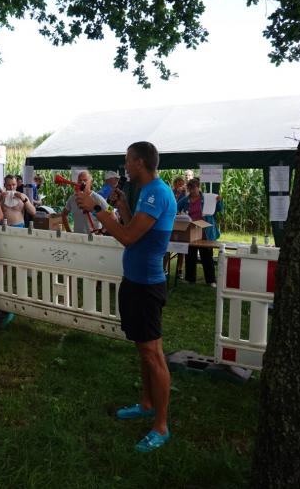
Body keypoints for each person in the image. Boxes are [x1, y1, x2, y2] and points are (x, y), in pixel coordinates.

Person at [75, 141, 175, 453]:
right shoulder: (145, 192)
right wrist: (121, 208)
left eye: (128, 160)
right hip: (135, 280)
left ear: (140, 162)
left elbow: (128, 237)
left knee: (153, 354)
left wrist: (98, 209)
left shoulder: (157, 193)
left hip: (147, 285)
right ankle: (146, 403)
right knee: (144, 350)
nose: (125, 166)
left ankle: (161, 426)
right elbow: (133, 229)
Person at [177, 178, 222, 286]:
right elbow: (176, 208)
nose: (192, 191)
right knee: (190, 255)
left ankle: (211, 280)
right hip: (191, 229)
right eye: (190, 189)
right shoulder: (185, 199)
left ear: (198, 187)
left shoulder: (207, 198)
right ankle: (190, 279)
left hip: (205, 230)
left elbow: (219, 209)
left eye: (194, 188)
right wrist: (180, 214)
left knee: (207, 256)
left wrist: (219, 201)